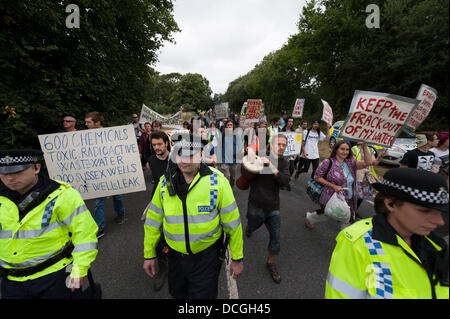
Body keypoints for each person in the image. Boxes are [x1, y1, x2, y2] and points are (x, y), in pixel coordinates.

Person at [143, 133, 244, 299]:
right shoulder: (164, 183)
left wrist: (237, 258)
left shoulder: (217, 182)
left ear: (201, 154)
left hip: (206, 258)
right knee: (177, 295)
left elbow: (233, 224)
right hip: (175, 258)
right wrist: (149, 254)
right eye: (180, 154)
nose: (184, 160)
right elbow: (153, 222)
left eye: (190, 155)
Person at [325, 168, 449, 299]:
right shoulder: (360, 244)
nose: (440, 221)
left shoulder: (437, 245)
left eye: (439, 211)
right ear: (390, 204)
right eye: (424, 211)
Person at [0, 149, 98, 298]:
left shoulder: (62, 195)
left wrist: (79, 270)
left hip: (55, 276)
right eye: (4, 173)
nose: (10, 178)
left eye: (17, 172)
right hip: (12, 282)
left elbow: (85, 235)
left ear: (36, 168)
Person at [245, 134, 290, 284]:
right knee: (253, 224)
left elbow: (285, 181)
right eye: (279, 144)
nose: (281, 147)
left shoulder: (284, 162)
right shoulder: (260, 155)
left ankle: (270, 263)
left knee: (276, 236)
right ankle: (250, 227)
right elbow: (246, 165)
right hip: (256, 203)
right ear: (272, 144)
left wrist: (272, 167)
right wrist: (250, 154)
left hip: (273, 206)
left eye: (284, 145)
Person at [305, 141, 372, 229]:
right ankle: (310, 218)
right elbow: (317, 177)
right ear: (336, 150)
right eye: (342, 149)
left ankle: (345, 239)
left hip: (349, 197)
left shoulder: (351, 162)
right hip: (330, 195)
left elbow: (368, 162)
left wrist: (365, 148)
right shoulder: (328, 162)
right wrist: (333, 186)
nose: (345, 152)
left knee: (349, 219)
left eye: (347, 150)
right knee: (326, 214)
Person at [85, 112, 126, 238]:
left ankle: (120, 213)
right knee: (98, 202)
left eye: (88, 122)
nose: (86, 124)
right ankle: (100, 227)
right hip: (97, 175)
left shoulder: (110, 134)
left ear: (98, 123)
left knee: (117, 196)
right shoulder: (84, 137)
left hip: (112, 172)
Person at [144, 130, 171, 291]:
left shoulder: (176, 160)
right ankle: (162, 268)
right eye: (154, 145)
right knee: (155, 235)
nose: (157, 147)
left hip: (175, 204)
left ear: (166, 143)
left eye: (159, 144)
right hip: (156, 202)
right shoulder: (151, 160)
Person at [352, 142, 386, 210]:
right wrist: (367, 163)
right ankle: (350, 212)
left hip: (366, 178)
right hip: (356, 176)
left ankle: (355, 211)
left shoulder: (370, 149)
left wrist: (379, 157)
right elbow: (354, 163)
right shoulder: (354, 149)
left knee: (361, 196)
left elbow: (373, 163)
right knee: (353, 196)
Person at [216, 119, 244, 188]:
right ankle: (226, 192)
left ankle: (230, 190)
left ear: (233, 126)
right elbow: (219, 149)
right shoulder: (222, 136)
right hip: (224, 161)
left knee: (233, 178)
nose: (229, 126)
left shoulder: (236, 136)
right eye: (228, 125)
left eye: (231, 125)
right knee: (227, 177)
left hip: (234, 161)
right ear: (225, 126)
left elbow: (240, 148)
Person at [281, 116, 296, 191]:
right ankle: (283, 183)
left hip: (291, 155)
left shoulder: (294, 132)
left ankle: (286, 182)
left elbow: (296, 143)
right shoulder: (282, 131)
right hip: (283, 154)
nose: (290, 123)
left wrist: (296, 151)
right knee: (283, 169)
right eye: (289, 121)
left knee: (291, 169)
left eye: (292, 122)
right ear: (286, 122)